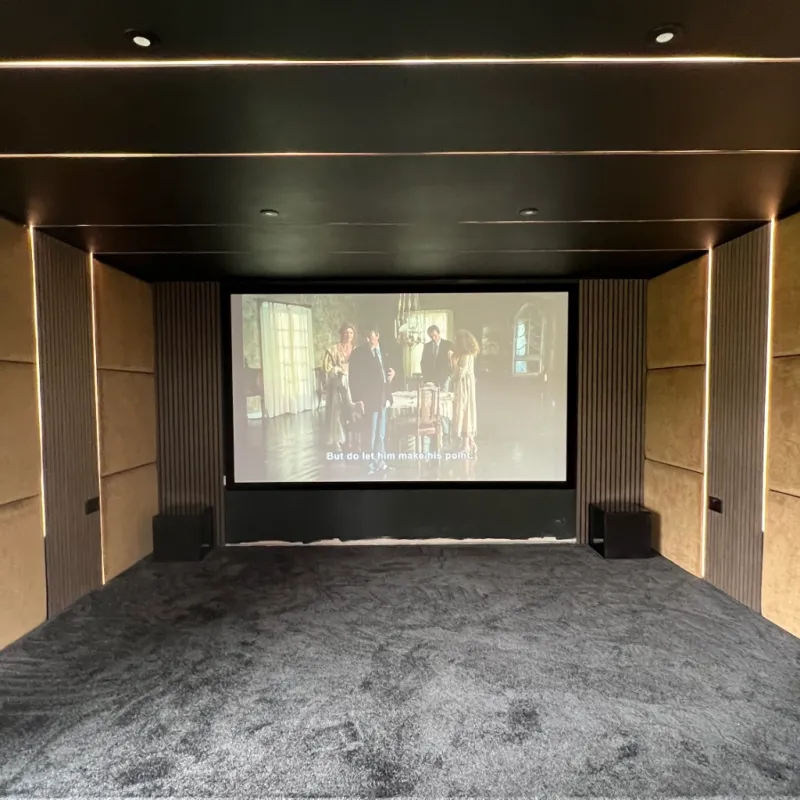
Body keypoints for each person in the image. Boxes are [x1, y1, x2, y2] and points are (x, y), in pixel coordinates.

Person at [348, 327, 396, 473]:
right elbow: (353, 378)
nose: (368, 340)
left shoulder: (384, 351)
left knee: (381, 434)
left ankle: (380, 463)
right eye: (366, 338)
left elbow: (387, 370)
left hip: (383, 397)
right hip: (368, 399)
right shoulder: (358, 353)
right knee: (370, 434)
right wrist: (357, 400)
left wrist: (393, 373)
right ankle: (369, 465)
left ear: (377, 336)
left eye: (371, 337)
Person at [322, 322, 360, 450]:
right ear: (342, 334)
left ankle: (351, 439)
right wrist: (338, 369)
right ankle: (337, 440)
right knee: (338, 412)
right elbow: (327, 367)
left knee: (351, 411)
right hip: (339, 383)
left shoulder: (356, 350)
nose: (348, 335)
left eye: (351, 333)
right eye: (346, 332)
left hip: (353, 383)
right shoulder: (334, 349)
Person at [450, 329, 479, 456]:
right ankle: (470, 442)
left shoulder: (466, 356)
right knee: (467, 411)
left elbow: (459, 373)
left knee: (465, 411)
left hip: (464, 388)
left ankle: (466, 444)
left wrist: (453, 361)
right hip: (466, 386)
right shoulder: (467, 355)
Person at [420, 325, 454, 390]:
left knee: (443, 395)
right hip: (429, 378)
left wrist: (449, 374)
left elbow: (452, 361)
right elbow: (423, 362)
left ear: (439, 333)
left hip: (443, 378)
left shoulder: (448, 345)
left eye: (435, 335)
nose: (433, 338)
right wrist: (425, 375)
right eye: (431, 336)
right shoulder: (427, 346)